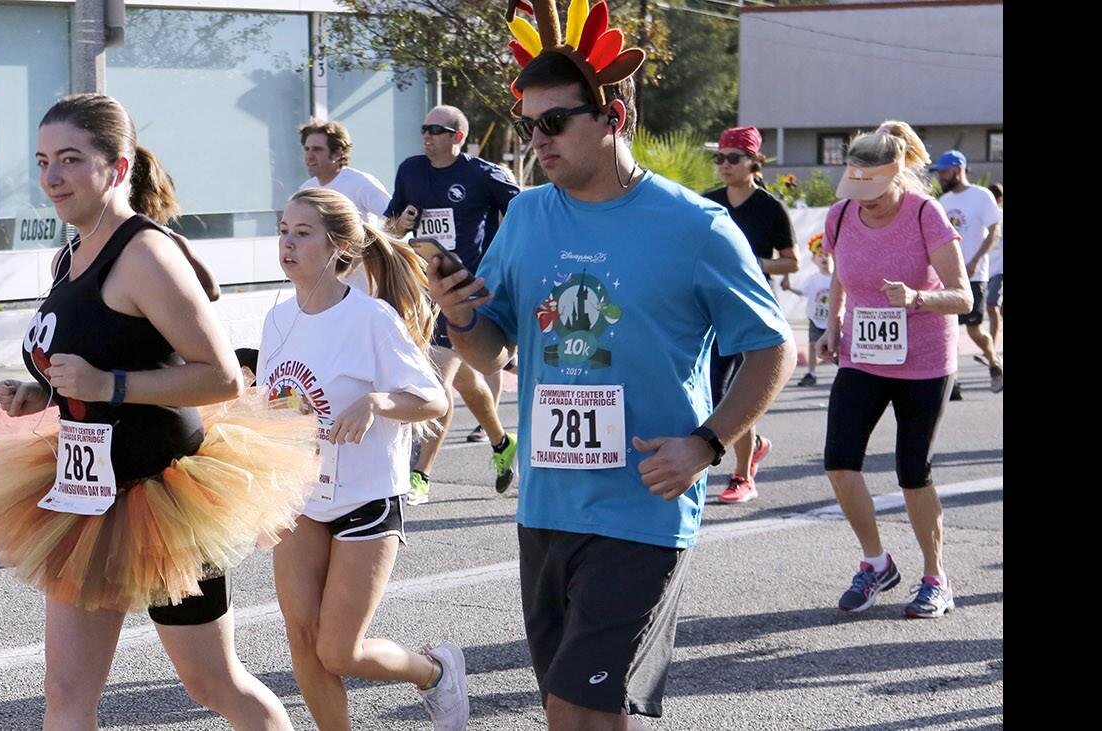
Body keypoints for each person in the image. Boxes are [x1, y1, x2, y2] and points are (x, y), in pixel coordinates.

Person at [427, 2, 795, 726]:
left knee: (577, 705)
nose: (539, 141)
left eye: (555, 123)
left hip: (644, 508)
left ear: (612, 117)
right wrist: (461, 310)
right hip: (546, 505)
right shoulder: (528, 216)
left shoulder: (697, 225)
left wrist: (707, 443)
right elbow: (491, 346)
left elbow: (770, 345)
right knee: (583, 707)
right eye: (530, 125)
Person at [0, 93, 319, 730]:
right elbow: (97, 357)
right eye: (44, 160)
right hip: (83, 491)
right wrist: (44, 394)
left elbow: (217, 378)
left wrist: (109, 385)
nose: (52, 177)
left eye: (71, 160)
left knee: (213, 683)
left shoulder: (145, 255)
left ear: (117, 168)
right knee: (66, 696)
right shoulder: (67, 256)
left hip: (166, 495)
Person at [261, 188, 467, 731]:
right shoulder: (275, 320)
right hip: (300, 496)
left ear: (339, 246)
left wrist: (377, 401)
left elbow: (434, 399)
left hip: (365, 498)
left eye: (302, 233)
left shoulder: (371, 319)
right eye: (284, 229)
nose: (287, 242)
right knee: (301, 638)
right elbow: (275, 411)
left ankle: (433, 673)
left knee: (339, 651)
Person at [817, 122, 973, 619]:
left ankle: (935, 577)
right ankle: (876, 562)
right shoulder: (841, 214)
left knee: (912, 472)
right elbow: (842, 272)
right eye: (857, 193)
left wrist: (918, 298)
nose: (866, 203)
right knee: (840, 463)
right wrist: (832, 325)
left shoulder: (926, 214)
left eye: (876, 194)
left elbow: (964, 296)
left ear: (898, 176)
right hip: (863, 356)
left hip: (924, 361)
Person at [383, 104, 522, 502]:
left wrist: (504, 262)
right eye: (423, 128)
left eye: (436, 130)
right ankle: (501, 442)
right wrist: (401, 224)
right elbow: (390, 225)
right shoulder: (411, 170)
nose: (426, 135)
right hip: (422, 291)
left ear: (457, 137)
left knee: (435, 380)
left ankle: (420, 475)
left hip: (464, 294)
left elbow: (526, 214)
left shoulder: (483, 175)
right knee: (462, 379)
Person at [704, 125, 800, 503]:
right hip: (710, 309)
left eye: (733, 158)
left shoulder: (770, 208)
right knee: (713, 392)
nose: (724, 165)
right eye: (719, 158)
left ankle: (742, 476)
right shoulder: (707, 203)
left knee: (736, 393)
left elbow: (790, 263)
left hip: (754, 310)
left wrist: (752, 263)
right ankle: (754, 442)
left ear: (753, 163)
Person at [930, 150, 1002, 396]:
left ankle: (994, 362)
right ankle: (953, 382)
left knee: (973, 330)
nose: (940, 176)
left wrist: (976, 260)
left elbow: (994, 231)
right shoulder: (943, 202)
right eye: (938, 172)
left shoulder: (981, 196)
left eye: (944, 171)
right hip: (948, 276)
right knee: (947, 328)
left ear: (959, 169)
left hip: (975, 275)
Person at [298, 119, 392, 294]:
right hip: (324, 288)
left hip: (363, 288)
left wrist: (373, 253)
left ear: (337, 153)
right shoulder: (306, 190)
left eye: (317, 149)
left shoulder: (360, 183)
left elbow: (394, 218)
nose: (309, 155)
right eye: (307, 149)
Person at [782, 234, 833, 387]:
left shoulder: (837, 278)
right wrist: (789, 287)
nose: (824, 258)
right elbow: (802, 292)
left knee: (837, 347)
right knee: (812, 344)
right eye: (820, 255)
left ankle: (845, 370)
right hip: (816, 320)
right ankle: (811, 373)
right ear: (814, 260)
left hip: (833, 320)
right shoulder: (813, 279)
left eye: (827, 255)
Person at [983, 183, 1003, 350]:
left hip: (1000, 272)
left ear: (999, 200)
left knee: (991, 305)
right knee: (996, 310)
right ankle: (993, 350)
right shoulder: (983, 219)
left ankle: (992, 348)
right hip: (986, 271)